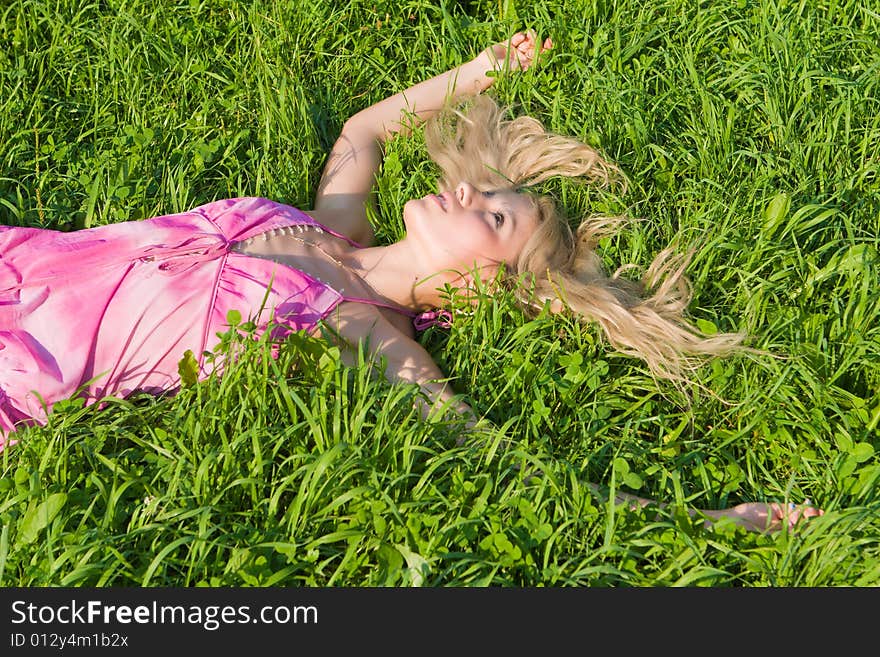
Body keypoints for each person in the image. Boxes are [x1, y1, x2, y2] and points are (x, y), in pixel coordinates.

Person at [0, 32, 822, 533]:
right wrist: (478, 70)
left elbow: (501, 458)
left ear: (480, 292)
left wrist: (713, 518)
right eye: (493, 190)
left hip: (25, 362)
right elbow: (363, 127)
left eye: (497, 217)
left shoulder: (366, 333)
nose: (473, 191)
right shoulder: (332, 224)